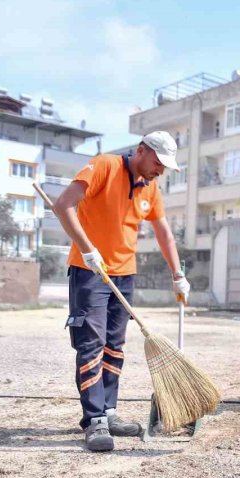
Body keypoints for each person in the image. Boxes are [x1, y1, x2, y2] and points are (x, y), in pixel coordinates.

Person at [54, 132, 190, 452]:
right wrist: (87, 249)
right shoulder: (104, 166)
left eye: (165, 166)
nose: (161, 170)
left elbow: (164, 234)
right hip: (90, 271)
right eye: (157, 162)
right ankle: (94, 420)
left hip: (125, 275)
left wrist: (178, 274)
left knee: (114, 346)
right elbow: (64, 205)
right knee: (92, 343)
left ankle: (109, 411)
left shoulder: (151, 187)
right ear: (141, 151)